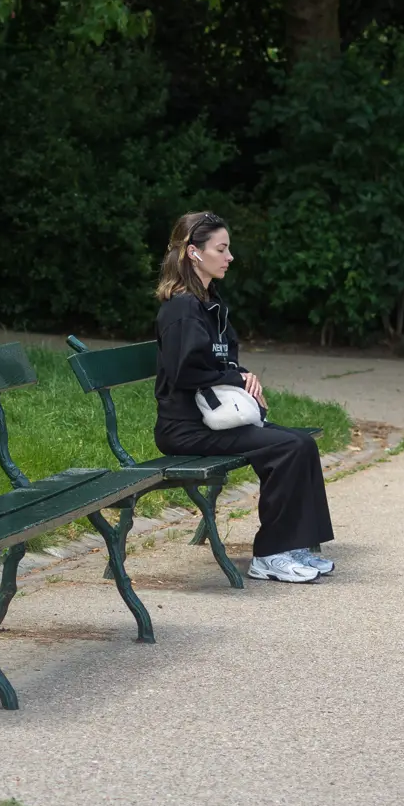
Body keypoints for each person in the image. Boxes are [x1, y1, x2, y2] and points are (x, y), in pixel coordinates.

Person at [152, 210, 335, 583]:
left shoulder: (208, 303)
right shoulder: (183, 308)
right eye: (222, 248)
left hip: (213, 419)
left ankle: (293, 545)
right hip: (186, 427)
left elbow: (220, 360)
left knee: (300, 442)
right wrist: (236, 376)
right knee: (287, 447)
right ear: (193, 252)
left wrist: (243, 375)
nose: (229, 257)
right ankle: (269, 554)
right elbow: (184, 372)